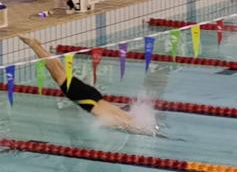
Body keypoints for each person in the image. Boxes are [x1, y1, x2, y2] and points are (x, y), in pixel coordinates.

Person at [19, 35, 151, 133]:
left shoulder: (127, 116)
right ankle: (33, 44)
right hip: (85, 99)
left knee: (60, 71)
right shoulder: (118, 121)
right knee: (56, 71)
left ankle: (38, 46)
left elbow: (134, 109)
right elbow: (103, 123)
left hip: (94, 95)